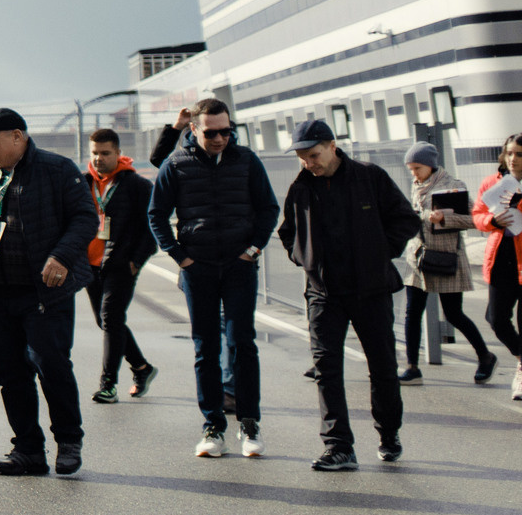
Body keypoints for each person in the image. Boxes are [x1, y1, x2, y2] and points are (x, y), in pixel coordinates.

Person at [0, 108, 98, 477]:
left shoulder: (57, 169)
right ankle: (28, 449)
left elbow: (85, 218)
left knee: (51, 365)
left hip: (44, 292)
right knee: (8, 371)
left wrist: (62, 256)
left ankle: (68, 441)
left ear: (18, 136)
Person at [279, 118, 420, 472]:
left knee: (383, 366)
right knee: (327, 369)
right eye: (302, 157)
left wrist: (376, 252)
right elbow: (287, 232)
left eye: (313, 155)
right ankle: (338, 446)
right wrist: (305, 259)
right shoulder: (301, 187)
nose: (309, 163)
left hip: (370, 289)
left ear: (332, 146)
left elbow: (406, 219)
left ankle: (389, 434)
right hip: (324, 292)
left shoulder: (369, 177)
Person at [147, 96, 280, 459]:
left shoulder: (247, 161)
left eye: (226, 131)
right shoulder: (177, 163)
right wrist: (180, 257)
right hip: (198, 268)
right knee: (206, 347)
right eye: (212, 132)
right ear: (193, 129)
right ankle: (212, 426)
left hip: (239, 266)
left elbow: (269, 208)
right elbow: (156, 214)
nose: (220, 138)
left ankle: (249, 424)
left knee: (242, 343)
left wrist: (253, 249)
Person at [401, 143, 494, 385]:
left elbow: (474, 220)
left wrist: (444, 218)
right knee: (412, 313)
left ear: (430, 165)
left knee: (453, 314)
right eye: (410, 169)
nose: (413, 173)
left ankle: (485, 356)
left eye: (417, 168)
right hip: (418, 256)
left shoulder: (453, 186)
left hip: (446, 256)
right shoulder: (417, 185)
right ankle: (412, 368)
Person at [84, 128, 159, 405]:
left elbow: (151, 227)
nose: (99, 158)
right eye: (94, 153)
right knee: (105, 321)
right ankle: (142, 368)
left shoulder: (137, 186)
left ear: (118, 153)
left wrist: (135, 261)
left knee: (111, 318)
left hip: (121, 264)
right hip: (90, 265)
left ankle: (108, 385)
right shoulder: (83, 183)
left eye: (105, 153)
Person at [473, 137, 522, 404]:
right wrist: (491, 219)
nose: (513, 159)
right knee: (496, 318)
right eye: (510, 153)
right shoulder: (492, 182)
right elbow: (477, 214)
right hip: (500, 257)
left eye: (520, 154)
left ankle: (521, 372)